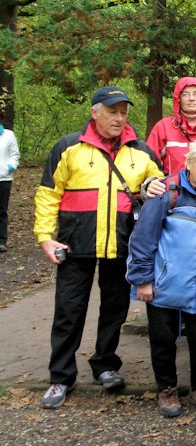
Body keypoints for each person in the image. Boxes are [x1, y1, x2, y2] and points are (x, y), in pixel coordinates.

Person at [35, 87, 163, 409]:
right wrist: (44, 237)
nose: (119, 118)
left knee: (115, 310)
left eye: (123, 112)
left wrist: (151, 189)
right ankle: (61, 377)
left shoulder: (142, 152)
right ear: (94, 112)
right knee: (68, 312)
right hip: (74, 244)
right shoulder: (68, 147)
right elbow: (48, 194)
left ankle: (105, 364)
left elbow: (161, 191)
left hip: (121, 246)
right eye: (112, 111)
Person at [127, 140, 196, 417]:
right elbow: (143, 239)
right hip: (166, 284)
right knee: (163, 339)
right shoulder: (166, 192)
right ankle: (166, 390)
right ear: (188, 163)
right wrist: (142, 279)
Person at [0, 122, 19, 252]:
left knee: (1, 210)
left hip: (4, 178)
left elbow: (14, 155)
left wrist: (8, 169)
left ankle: (1, 240)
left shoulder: (8, 135)